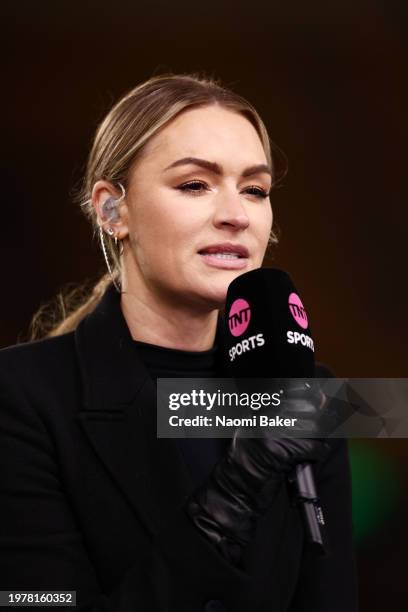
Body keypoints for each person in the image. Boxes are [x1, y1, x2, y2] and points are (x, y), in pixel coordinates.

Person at [0, 73, 358, 611]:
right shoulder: (22, 396)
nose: (236, 215)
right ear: (111, 210)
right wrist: (231, 500)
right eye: (194, 184)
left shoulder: (310, 393)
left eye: (255, 190)